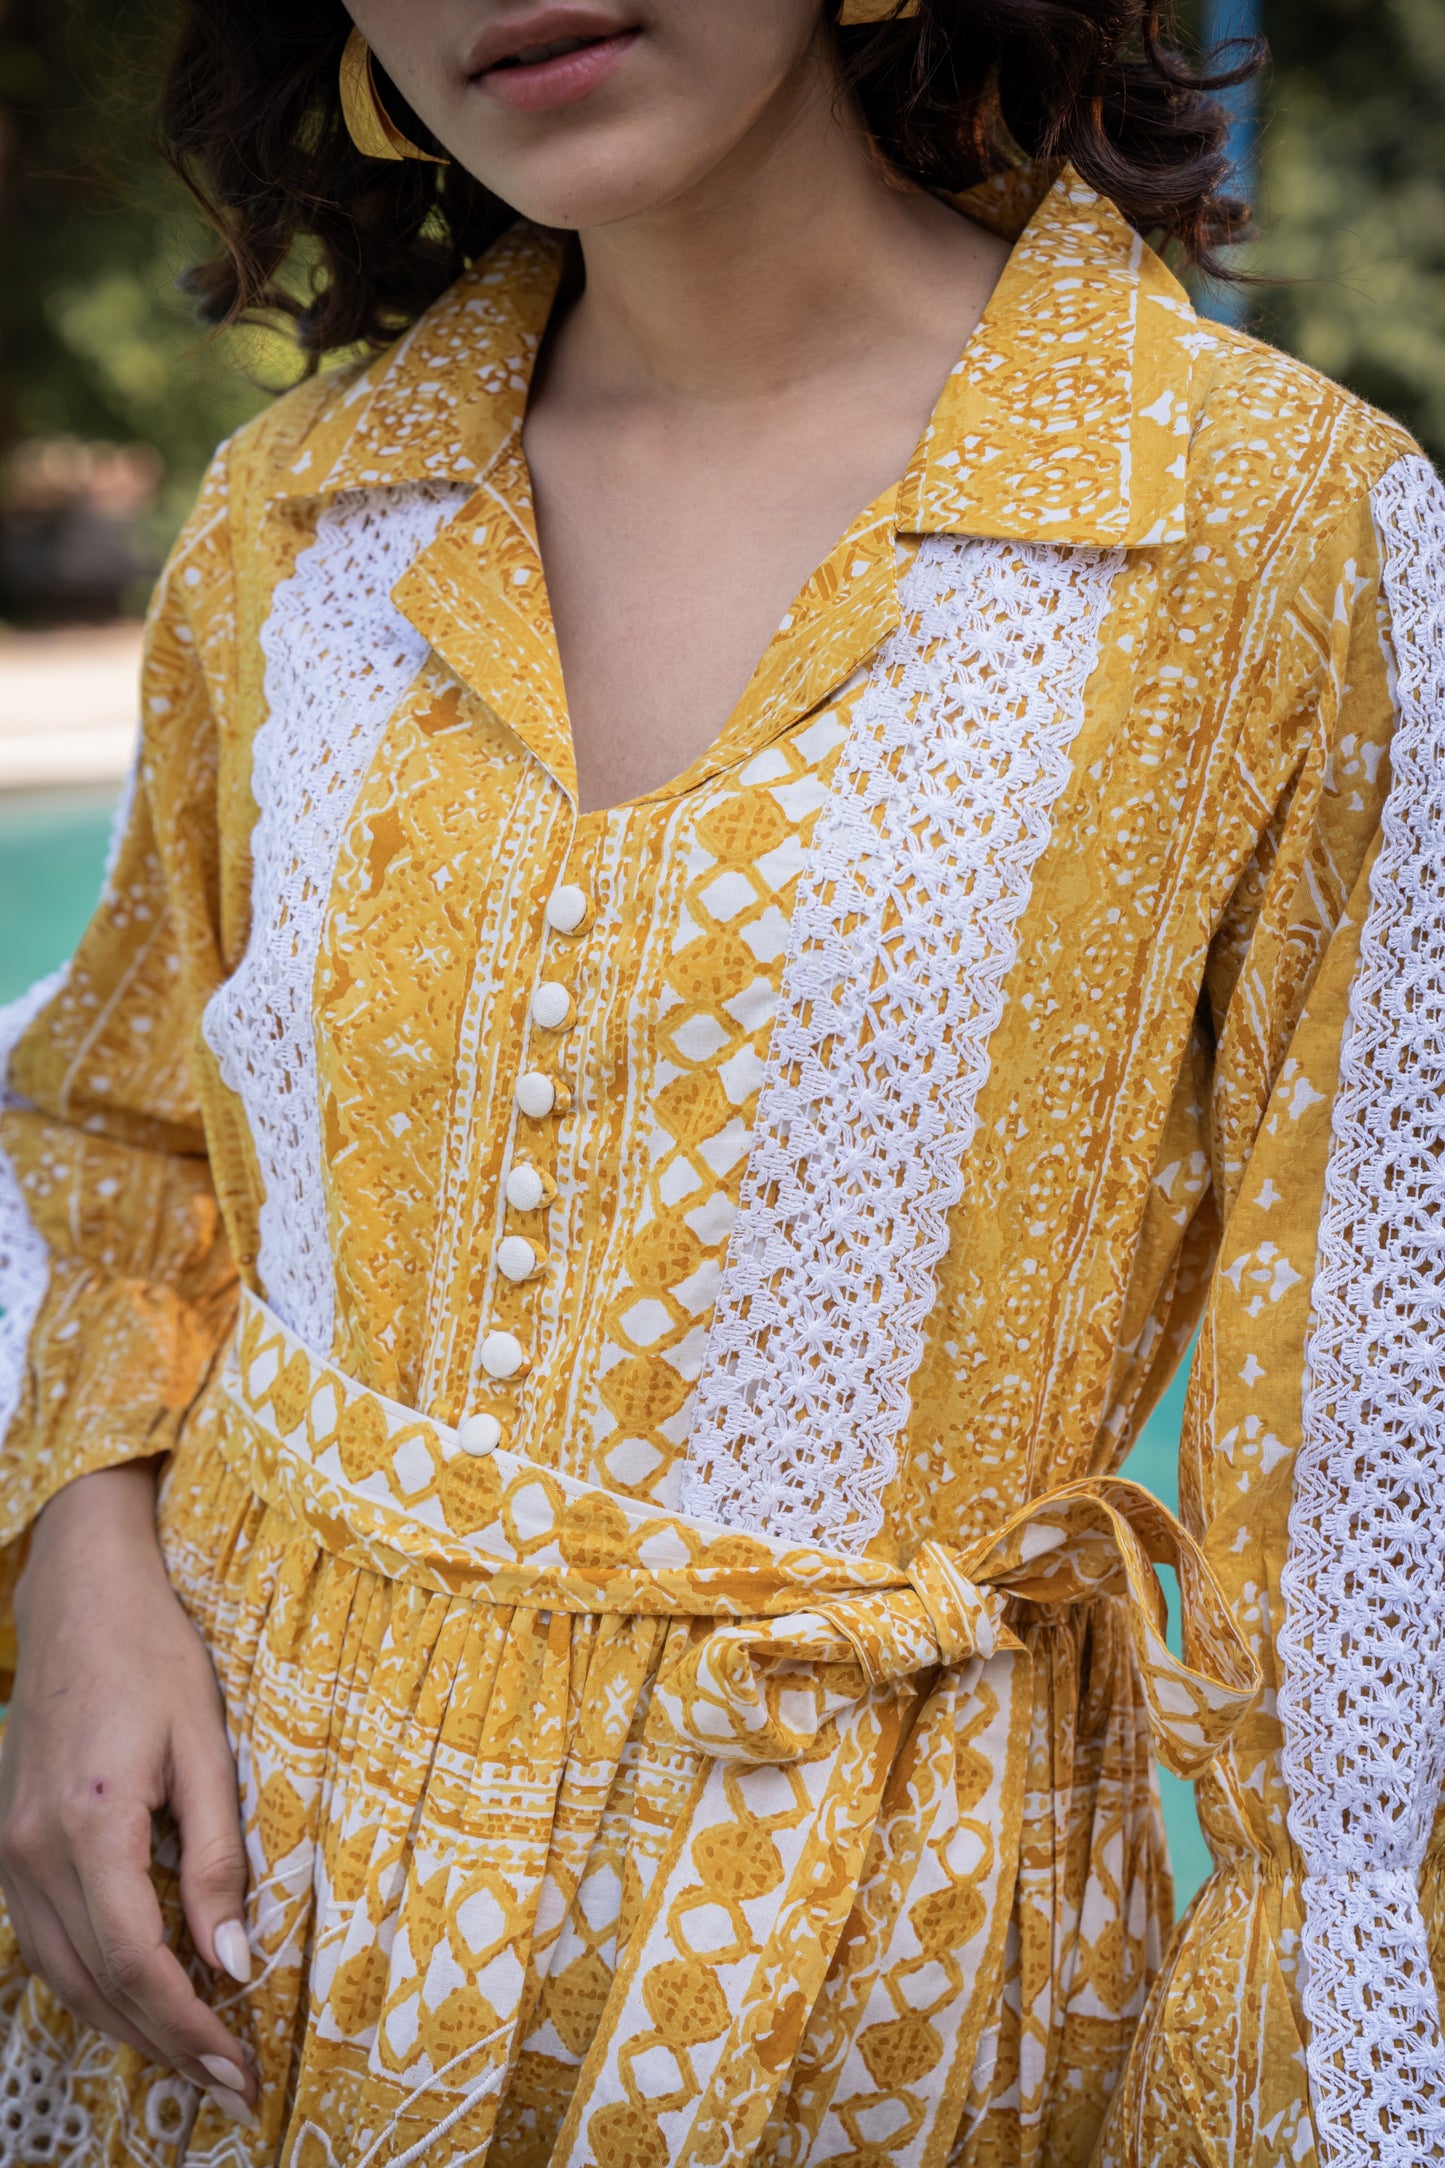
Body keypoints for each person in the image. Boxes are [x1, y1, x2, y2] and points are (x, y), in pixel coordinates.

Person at [0, 1, 1441, 2162]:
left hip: (871, 2008)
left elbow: (1370, 1536)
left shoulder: (1278, 541)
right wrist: (73, 1569)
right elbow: (112, 1136)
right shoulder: (296, 523)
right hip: (218, 1953)